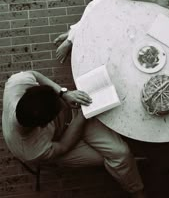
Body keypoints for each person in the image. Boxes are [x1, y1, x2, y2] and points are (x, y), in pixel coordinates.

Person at [2, 71, 146, 198]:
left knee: (121, 154)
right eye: (59, 109)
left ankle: (130, 176)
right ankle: (133, 183)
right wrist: (82, 116)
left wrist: (64, 94)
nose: (64, 104)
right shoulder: (32, 151)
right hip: (61, 145)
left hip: (75, 120)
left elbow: (34, 74)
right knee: (114, 158)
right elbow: (63, 146)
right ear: (44, 125)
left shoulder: (16, 84)